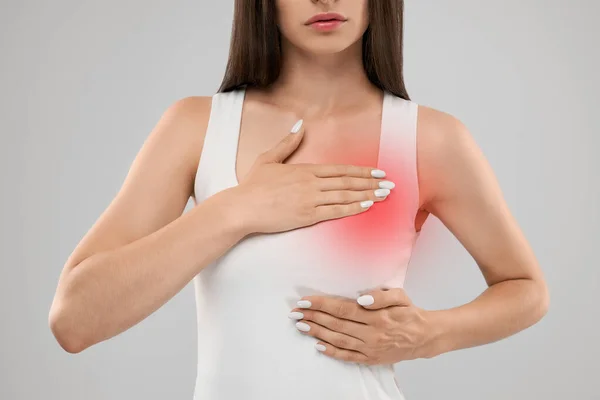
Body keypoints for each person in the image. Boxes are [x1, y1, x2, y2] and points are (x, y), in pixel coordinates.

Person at [48, 0, 549, 399]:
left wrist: (430, 334)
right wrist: (235, 210)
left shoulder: (428, 138)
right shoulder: (196, 127)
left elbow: (526, 288)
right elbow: (75, 320)